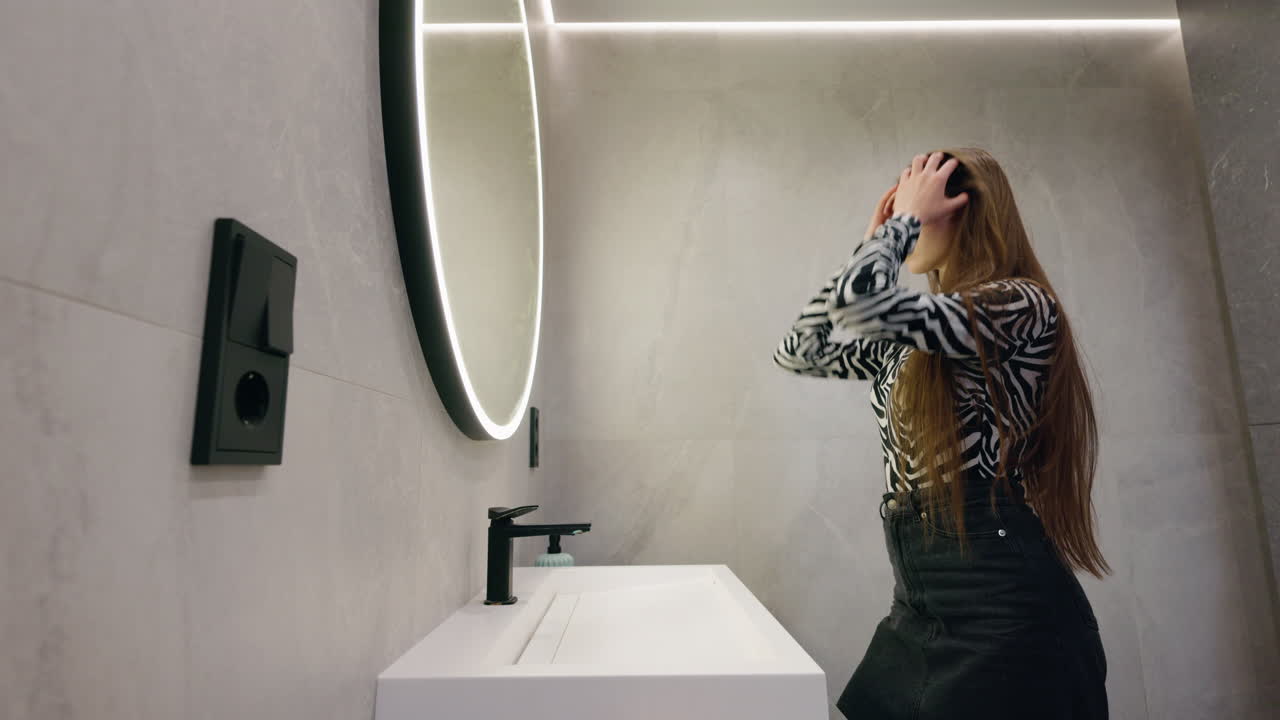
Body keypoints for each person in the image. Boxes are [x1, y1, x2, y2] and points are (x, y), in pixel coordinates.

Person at [774, 148, 1109, 719]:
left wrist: (898, 231)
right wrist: (875, 239)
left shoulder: (1022, 304)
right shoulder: (914, 337)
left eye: (916, 203)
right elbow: (799, 350)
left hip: (1005, 603)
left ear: (963, 210)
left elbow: (861, 306)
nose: (900, 215)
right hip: (920, 598)